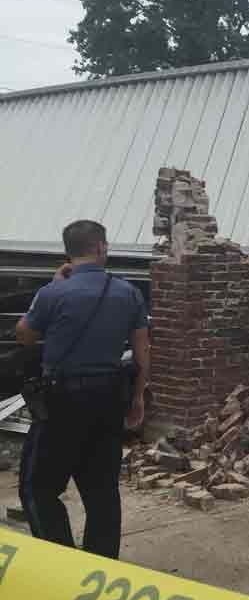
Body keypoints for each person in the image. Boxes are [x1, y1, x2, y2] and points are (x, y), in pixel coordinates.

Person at [14, 220, 150, 559]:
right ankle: (100, 566)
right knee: (102, 492)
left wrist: (52, 285)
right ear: (101, 247)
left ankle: (62, 562)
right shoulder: (128, 293)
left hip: (62, 403)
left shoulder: (53, 293)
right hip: (109, 399)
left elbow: (24, 336)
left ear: (68, 253)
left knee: (37, 488)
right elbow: (142, 353)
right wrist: (137, 397)